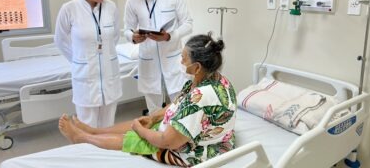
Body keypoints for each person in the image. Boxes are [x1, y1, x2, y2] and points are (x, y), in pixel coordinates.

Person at [59, 33, 237, 167]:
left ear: (197, 67)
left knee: (137, 137)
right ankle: (94, 131)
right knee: (146, 121)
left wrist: (140, 130)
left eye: (183, 58)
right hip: (193, 133)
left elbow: (168, 142)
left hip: (196, 153)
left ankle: (82, 137)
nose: (180, 61)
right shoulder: (214, 79)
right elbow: (177, 104)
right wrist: (154, 118)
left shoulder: (199, 98)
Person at [124, 0, 193, 114]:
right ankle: (155, 137)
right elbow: (127, 29)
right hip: (148, 61)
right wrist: (133, 37)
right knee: (154, 112)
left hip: (173, 60)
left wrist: (169, 36)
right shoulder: (132, 0)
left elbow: (188, 24)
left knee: (180, 109)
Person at [54, 0, 122, 128]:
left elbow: (115, 36)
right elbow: (60, 40)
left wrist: (106, 54)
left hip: (109, 74)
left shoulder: (111, 7)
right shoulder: (69, 9)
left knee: (108, 127)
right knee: (86, 127)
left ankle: (105, 153)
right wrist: (79, 60)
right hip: (85, 78)